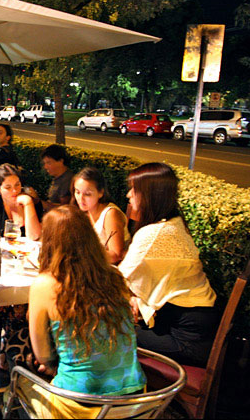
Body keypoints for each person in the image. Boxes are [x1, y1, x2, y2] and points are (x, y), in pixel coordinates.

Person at [22, 205, 146, 418]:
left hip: (77, 405)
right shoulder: (115, 277)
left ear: (49, 242)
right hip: (134, 403)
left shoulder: (46, 284)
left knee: (20, 371)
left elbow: (43, 356)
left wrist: (54, 365)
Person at [118, 163, 218, 367]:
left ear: (151, 196)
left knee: (108, 328)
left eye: (134, 190)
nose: (128, 195)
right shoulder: (173, 224)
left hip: (187, 340)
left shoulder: (154, 234)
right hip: (196, 323)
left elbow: (115, 280)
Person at [71, 166, 130, 265]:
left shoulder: (110, 214)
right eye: (77, 192)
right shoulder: (84, 211)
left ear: (101, 193)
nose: (80, 198)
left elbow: (116, 255)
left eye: (87, 194)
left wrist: (81, 254)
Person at [0, 163, 41, 241]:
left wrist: (28, 204)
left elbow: (34, 236)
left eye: (17, 185)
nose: (14, 190)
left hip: (26, 251)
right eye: (8, 187)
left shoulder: (32, 202)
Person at [40, 144, 74, 211]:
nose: (45, 167)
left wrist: (38, 202)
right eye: (44, 163)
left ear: (61, 161)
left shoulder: (67, 180)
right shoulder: (57, 177)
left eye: (49, 163)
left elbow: (64, 209)